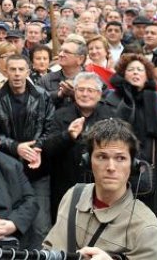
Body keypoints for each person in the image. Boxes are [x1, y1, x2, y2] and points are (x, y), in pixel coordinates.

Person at [43, 118, 157, 258]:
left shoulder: (147, 229)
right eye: (102, 157)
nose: (111, 167)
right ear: (88, 161)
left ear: (133, 166)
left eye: (120, 158)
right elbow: (50, 248)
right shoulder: (73, 196)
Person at [105, 54, 157, 259]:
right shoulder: (112, 97)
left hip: (154, 166)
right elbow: (115, 128)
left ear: (147, 75)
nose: (136, 73)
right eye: (131, 70)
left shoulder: (155, 97)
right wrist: (129, 99)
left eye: (140, 70)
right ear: (123, 74)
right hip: (121, 167)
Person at [0, 55, 55, 247]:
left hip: (38, 167)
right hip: (7, 168)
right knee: (9, 222)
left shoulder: (42, 95)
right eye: (13, 69)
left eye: (21, 69)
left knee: (41, 223)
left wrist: (36, 148)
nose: (17, 74)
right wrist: (16, 147)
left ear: (28, 71)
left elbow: (50, 127)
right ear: (6, 71)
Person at [41, 72, 115, 222]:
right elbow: (47, 149)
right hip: (66, 185)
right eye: (81, 90)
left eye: (90, 90)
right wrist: (67, 136)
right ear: (74, 93)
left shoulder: (111, 117)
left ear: (99, 94)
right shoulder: (60, 115)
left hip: (101, 185)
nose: (85, 94)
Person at [42, 40, 89, 108]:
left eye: (66, 52)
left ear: (80, 59)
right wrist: (59, 94)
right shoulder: (46, 80)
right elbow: (36, 102)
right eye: (60, 51)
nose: (60, 54)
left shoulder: (92, 80)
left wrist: (75, 94)